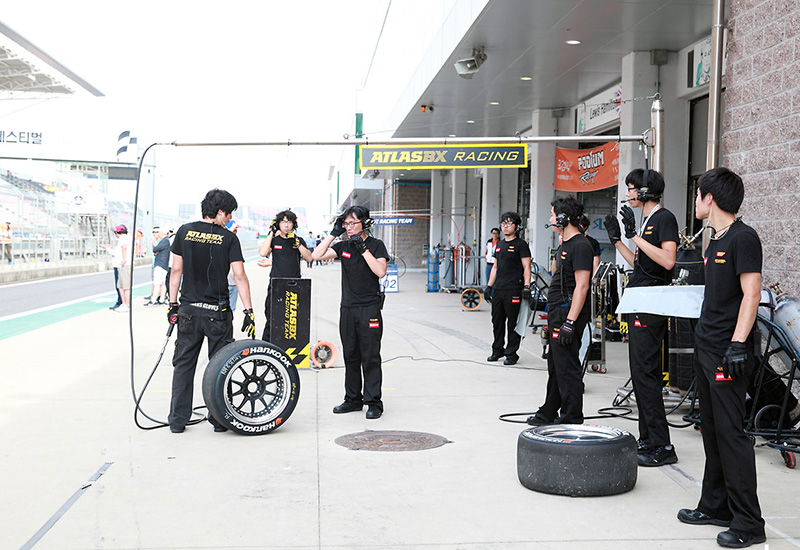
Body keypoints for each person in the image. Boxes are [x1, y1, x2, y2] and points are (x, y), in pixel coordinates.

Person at [677, 167, 766, 548]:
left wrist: (738, 344)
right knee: (711, 430)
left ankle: (749, 523)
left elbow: (752, 294)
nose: (695, 201)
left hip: (728, 352)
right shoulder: (715, 239)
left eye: (698, 194)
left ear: (709, 198)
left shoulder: (744, 238)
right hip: (707, 346)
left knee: (731, 435)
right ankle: (715, 505)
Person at [605, 168, 679, 467]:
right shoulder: (648, 221)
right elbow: (641, 264)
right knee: (640, 374)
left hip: (652, 303)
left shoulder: (664, 218)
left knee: (646, 374)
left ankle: (662, 445)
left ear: (646, 191)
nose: (628, 194)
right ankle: (648, 438)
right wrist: (618, 241)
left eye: (632, 188)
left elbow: (668, 260)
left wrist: (634, 235)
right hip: (640, 299)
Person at [166, 188, 256, 434]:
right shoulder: (229, 239)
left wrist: (172, 304)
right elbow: (239, 275)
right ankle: (218, 420)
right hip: (217, 313)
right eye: (229, 213)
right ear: (220, 211)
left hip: (188, 311)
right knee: (220, 367)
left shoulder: (184, 231)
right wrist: (248, 310)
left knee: (184, 365)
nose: (230, 218)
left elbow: (176, 271)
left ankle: (177, 421)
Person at [312, 205, 389, 419]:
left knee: (370, 356)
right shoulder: (343, 245)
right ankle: (353, 399)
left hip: (369, 308)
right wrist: (334, 233)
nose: (349, 227)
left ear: (365, 223)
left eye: (353, 223)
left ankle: (374, 402)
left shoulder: (376, 245)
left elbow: (380, 271)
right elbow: (315, 255)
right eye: (346, 223)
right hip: (348, 308)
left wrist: (363, 249)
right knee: (351, 355)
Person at [528, 197, 593, 425]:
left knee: (567, 368)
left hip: (568, 314)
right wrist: (561, 239)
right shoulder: (567, 244)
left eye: (553, 215)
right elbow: (557, 271)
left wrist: (570, 322)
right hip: (557, 311)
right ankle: (548, 411)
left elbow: (582, 286)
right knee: (555, 366)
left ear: (564, 218)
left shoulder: (581, 246)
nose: (550, 219)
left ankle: (571, 418)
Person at [257, 210, 313, 341]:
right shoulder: (274, 240)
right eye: (283, 222)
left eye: (289, 222)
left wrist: (297, 243)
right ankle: (267, 346)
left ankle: (290, 346)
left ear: (294, 224)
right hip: (276, 285)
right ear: (278, 224)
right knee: (271, 318)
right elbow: (263, 252)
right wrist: (271, 232)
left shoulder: (298, 241)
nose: (286, 225)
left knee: (292, 320)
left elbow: (309, 258)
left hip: (294, 286)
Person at [484, 212, 531, 366]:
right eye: (503, 223)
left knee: (512, 323)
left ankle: (511, 353)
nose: (505, 226)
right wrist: (489, 286)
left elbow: (527, 267)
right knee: (497, 321)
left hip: (514, 289)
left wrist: (527, 286)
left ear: (516, 226)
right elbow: (495, 267)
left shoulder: (521, 245)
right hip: (499, 289)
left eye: (509, 223)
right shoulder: (499, 245)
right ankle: (497, 350)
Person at [144, 227, 170, 306]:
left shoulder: (164, 241)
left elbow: (155, 249)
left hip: (160, 264)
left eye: (158, 232)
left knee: (157, 283)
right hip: (164, 264)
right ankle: (161, 299)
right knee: (162, 283)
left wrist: (154, 244)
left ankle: (153, 300)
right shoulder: (166, 241)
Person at [114, 224, 133, 313]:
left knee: (125, 286)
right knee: (120, 285)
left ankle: (127, 304)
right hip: (121, 265)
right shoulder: (128, 238)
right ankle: (124, 303)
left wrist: (124, 259)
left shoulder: (123, 238)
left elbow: (124, 248)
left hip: (125, 265)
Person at [225, 219, 241, 310]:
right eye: (234, 230)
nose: (236, 232)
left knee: (231, 309)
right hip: (225, 281)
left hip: (233, 281)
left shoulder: (234, 242)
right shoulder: (223, 241)